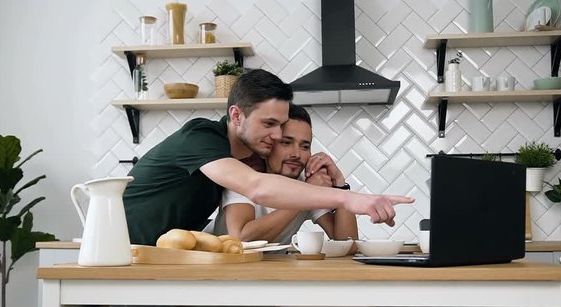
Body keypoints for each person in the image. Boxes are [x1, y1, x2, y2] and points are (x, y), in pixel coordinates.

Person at [124, 69, 414, 246]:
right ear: (236, 115)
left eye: (281, 125)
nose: (277, 137)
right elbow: (256, 188)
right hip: (124, 241)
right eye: (269, 124)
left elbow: (345, 241)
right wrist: (348, 199)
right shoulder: (201, 137)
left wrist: (339, 187)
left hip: (158, 252)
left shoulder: (244, 160)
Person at [209, 104, 357, 244]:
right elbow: (242, 238)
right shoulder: (244, 177)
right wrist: (304, 196)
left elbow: (348, 244)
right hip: (221, 266)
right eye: (286, 143)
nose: (296, 154)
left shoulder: (307, 182)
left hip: (272, 269)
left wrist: (340, 184)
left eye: (305, 146)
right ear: (266, 148)